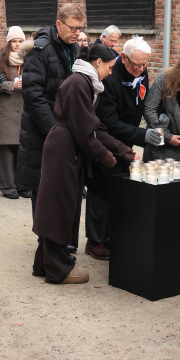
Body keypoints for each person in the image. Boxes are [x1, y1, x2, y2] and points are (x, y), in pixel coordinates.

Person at [32, 43, 135, 284]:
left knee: (58, 205)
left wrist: (121, 149)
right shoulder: (79, 83)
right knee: (59, 207)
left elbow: (94, 127)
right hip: (63, 150)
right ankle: (59, 268)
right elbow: (83, 130)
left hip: (67, 148)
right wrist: (105, 156)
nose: (110, 72)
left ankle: (44, 264)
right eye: (109, 67)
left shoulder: (86, 83)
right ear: (98, 62)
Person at [85, 35, 159, 260]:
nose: (141, 70)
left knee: (119, 189)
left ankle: (111, 237)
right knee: (101, 190)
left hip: (126, 138)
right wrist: (142, 134)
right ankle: (95, 241)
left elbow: (142, 101)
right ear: (124, 58)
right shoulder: (109, 77)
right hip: (106, 139)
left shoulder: (141, 71)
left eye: (145, 65)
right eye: (136, 65)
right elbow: (108, 120)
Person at [16, 4, 83, 213]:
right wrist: (54, 130)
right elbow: (33, 95)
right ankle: (42, 233)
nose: (77, 33)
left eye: (80, 28)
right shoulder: (40, 50)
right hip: (43, 129)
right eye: (73, 28)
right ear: (58, 24)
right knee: (42, 186)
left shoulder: (74, 48)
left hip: (65, 128)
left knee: (61, 186)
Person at [0, 26, 26, 199]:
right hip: (5, 113)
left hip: (24, 112)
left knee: (22, 153)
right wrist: (10, 85)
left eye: (20, 41)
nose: (17, 44)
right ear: (9, 43)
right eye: (14, 41)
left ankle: (22, 185)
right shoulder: (0, 61)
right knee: (5, 154)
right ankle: (8, 187)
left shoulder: (30, 60)